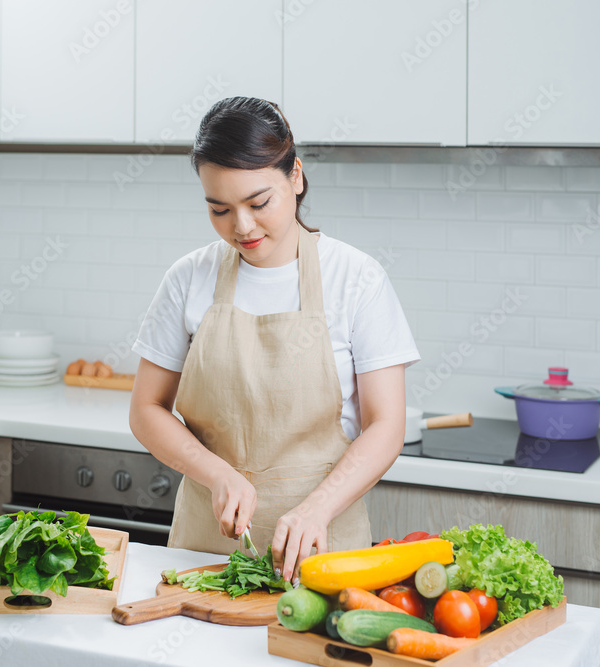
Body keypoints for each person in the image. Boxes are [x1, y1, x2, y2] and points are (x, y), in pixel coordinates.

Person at [129, 96, 419, 582]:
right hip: (205, 556)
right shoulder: (188, 278)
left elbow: (386, 425)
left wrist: (317, 509)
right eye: (219, 209)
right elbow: (146, 409)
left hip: (325, 556)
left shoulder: (356, 278)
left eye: (259, 203)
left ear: (296, 176)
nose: (241, 227)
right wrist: (217, 474)